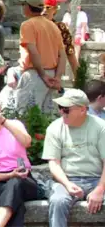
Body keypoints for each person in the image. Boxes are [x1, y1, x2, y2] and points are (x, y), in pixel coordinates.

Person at [0, 95, 41, 227]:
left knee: (15, 184)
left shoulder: (14, 125)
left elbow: (27, 142)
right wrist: (10, 175)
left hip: (23, 178)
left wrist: (4, 122)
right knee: (16, 202)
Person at [43, 89, 105, 227]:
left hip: (96, 179)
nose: (61, 112)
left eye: (66, 109)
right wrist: (67, 184)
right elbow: (54, 163)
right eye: (60, 108)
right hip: (67, 180)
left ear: (83, 110)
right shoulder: (54, 128)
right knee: (58, 201)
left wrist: (100, 189)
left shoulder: (101, 127)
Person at [13, 0, 65, 113]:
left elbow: (33, 51)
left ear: (28, 7)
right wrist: (57, 77)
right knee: (46, 118)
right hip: (52, 75)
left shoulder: (27, 25)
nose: (22, 7)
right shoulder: (53, 26)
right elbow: (62, 55)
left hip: (36, 74)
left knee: (26, 116)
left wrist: (43, 75)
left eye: (23, 4)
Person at [45, 0, 79, 78]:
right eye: (41, 7)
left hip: (54, 73)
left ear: (55, 9)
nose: (44, 10)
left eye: (48, 7)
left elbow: (70, 54)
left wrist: (79, 78)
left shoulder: (60, 28)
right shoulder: (31, 26)